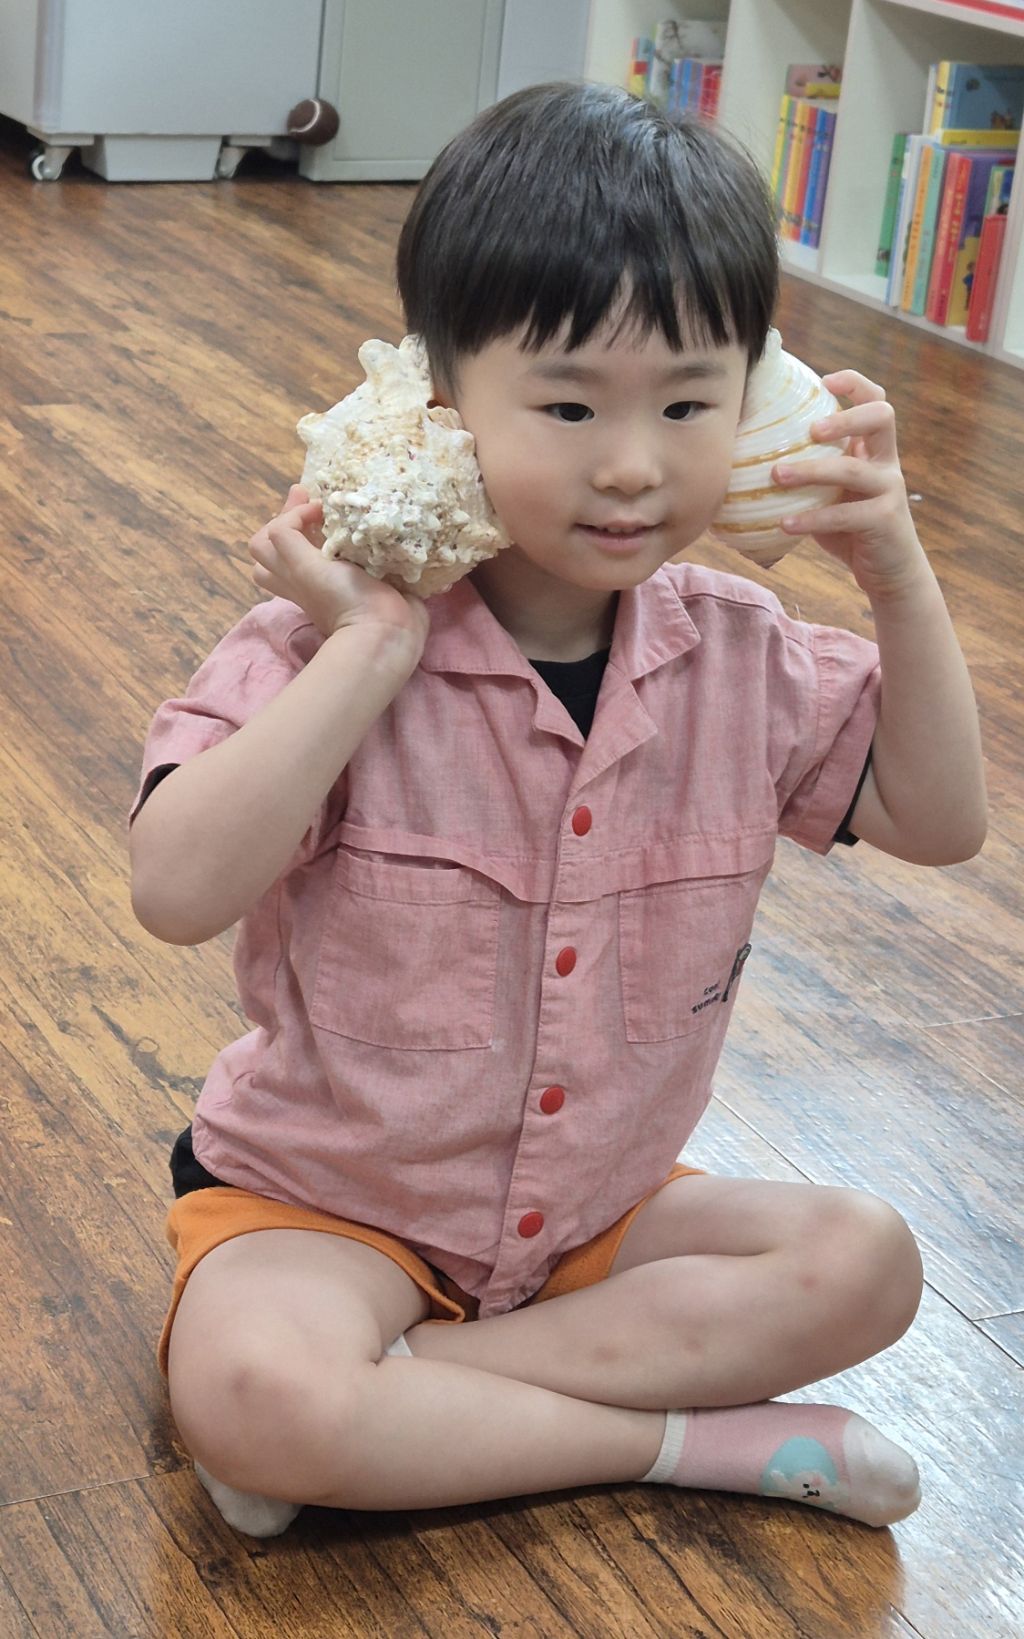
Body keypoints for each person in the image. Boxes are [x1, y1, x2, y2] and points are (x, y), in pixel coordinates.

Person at [129, 82, 987, 1537]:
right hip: (326, 1211)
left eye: (690, 404)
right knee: (262, 1387)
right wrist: (370, 653)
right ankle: (692, 1444)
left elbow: (939, 818)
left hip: (596, 1219)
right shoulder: (317, 642)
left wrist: (896, 568)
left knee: (868, 1262)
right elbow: (174, 890)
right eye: (571, 406)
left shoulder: (742, 654)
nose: (634, 464)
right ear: (437, 403)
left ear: (758, 398)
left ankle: (406, 1408)